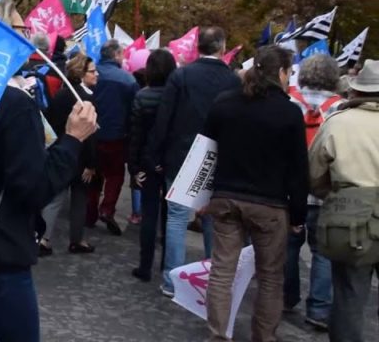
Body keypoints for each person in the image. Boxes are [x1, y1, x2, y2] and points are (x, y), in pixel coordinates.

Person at [0, 0, 98, 342]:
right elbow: (34, 187)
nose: (28, 36)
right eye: (20, 28)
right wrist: (73, 140)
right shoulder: (13, 105)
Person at [202, 45, 308, 342]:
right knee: (271, 277)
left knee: (222, 271)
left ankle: (218, 336)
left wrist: (199, 198)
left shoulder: (224, 103)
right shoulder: (289, 113)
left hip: (226, 197)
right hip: (270, 205)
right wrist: (298, 215)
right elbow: (299, 169)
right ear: (282, 73)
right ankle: (263, 337)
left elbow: (205, 154)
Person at [149, 26, 240, 297]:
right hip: (217, 157)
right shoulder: (233, 81)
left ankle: (171, 280)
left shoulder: (182, 75)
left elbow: (164, 117)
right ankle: (213, 281)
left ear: (198, 46)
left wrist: (155, 154)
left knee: (177, 218)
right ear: (223, 47)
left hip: (181, 154)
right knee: (213, 219)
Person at [308, 59, 379, 342]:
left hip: (352, 215)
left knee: (349, 294)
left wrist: (336, 194)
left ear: (357, 91)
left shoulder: (337, 123)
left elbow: (314, 175)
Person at [283, 54, 343, 331]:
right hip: (325, 190)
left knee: (288, 246)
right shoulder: (341, 108)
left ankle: (285, 296)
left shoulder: (290, 101)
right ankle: (318, 309)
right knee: (322, 252)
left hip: (290, 188)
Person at [39, 53, 99, 256]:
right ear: (81, 73)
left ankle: (44, 238)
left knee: (55, 198)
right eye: (92, 71)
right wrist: (91, 164)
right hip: (79, 156)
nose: (96, 74)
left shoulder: (61, 95)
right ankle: (76, 240)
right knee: (79, 199)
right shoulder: (87, 99)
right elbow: (90, 134)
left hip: (61, 151)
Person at [128, 49, 177, 281]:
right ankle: (168, 264)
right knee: (171, 217)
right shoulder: (177, 97)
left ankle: (144, 265)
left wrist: (135, 167)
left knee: (149, 214)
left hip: (148, 160)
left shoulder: (142, 96)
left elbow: (135, 135)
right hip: (171, 160)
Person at [89, 40, 139, 235]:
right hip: (117, 135)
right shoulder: (128, 80)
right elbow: (134, 111)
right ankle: (107, 208)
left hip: (92, 132)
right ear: (117, 55)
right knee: (115, 175)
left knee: (93, 173)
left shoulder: (92, 75)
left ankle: (89, 213)